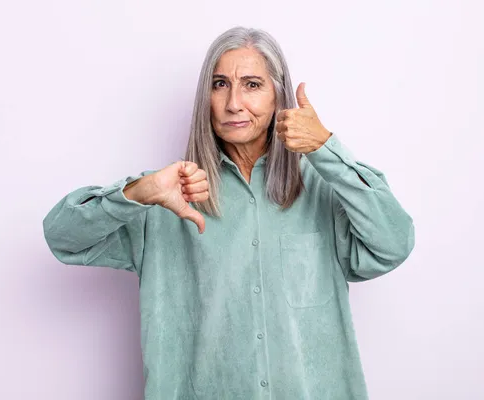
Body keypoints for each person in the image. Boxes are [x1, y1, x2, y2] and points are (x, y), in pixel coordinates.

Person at [43, 25, 415, 400]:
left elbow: (393, 244)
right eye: (220, 84)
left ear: (278, 97)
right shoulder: (168, 196)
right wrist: (137, 192)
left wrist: (325, 149)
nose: (234, 102)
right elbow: (63, 238)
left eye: (252, 84)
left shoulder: (322, 188)